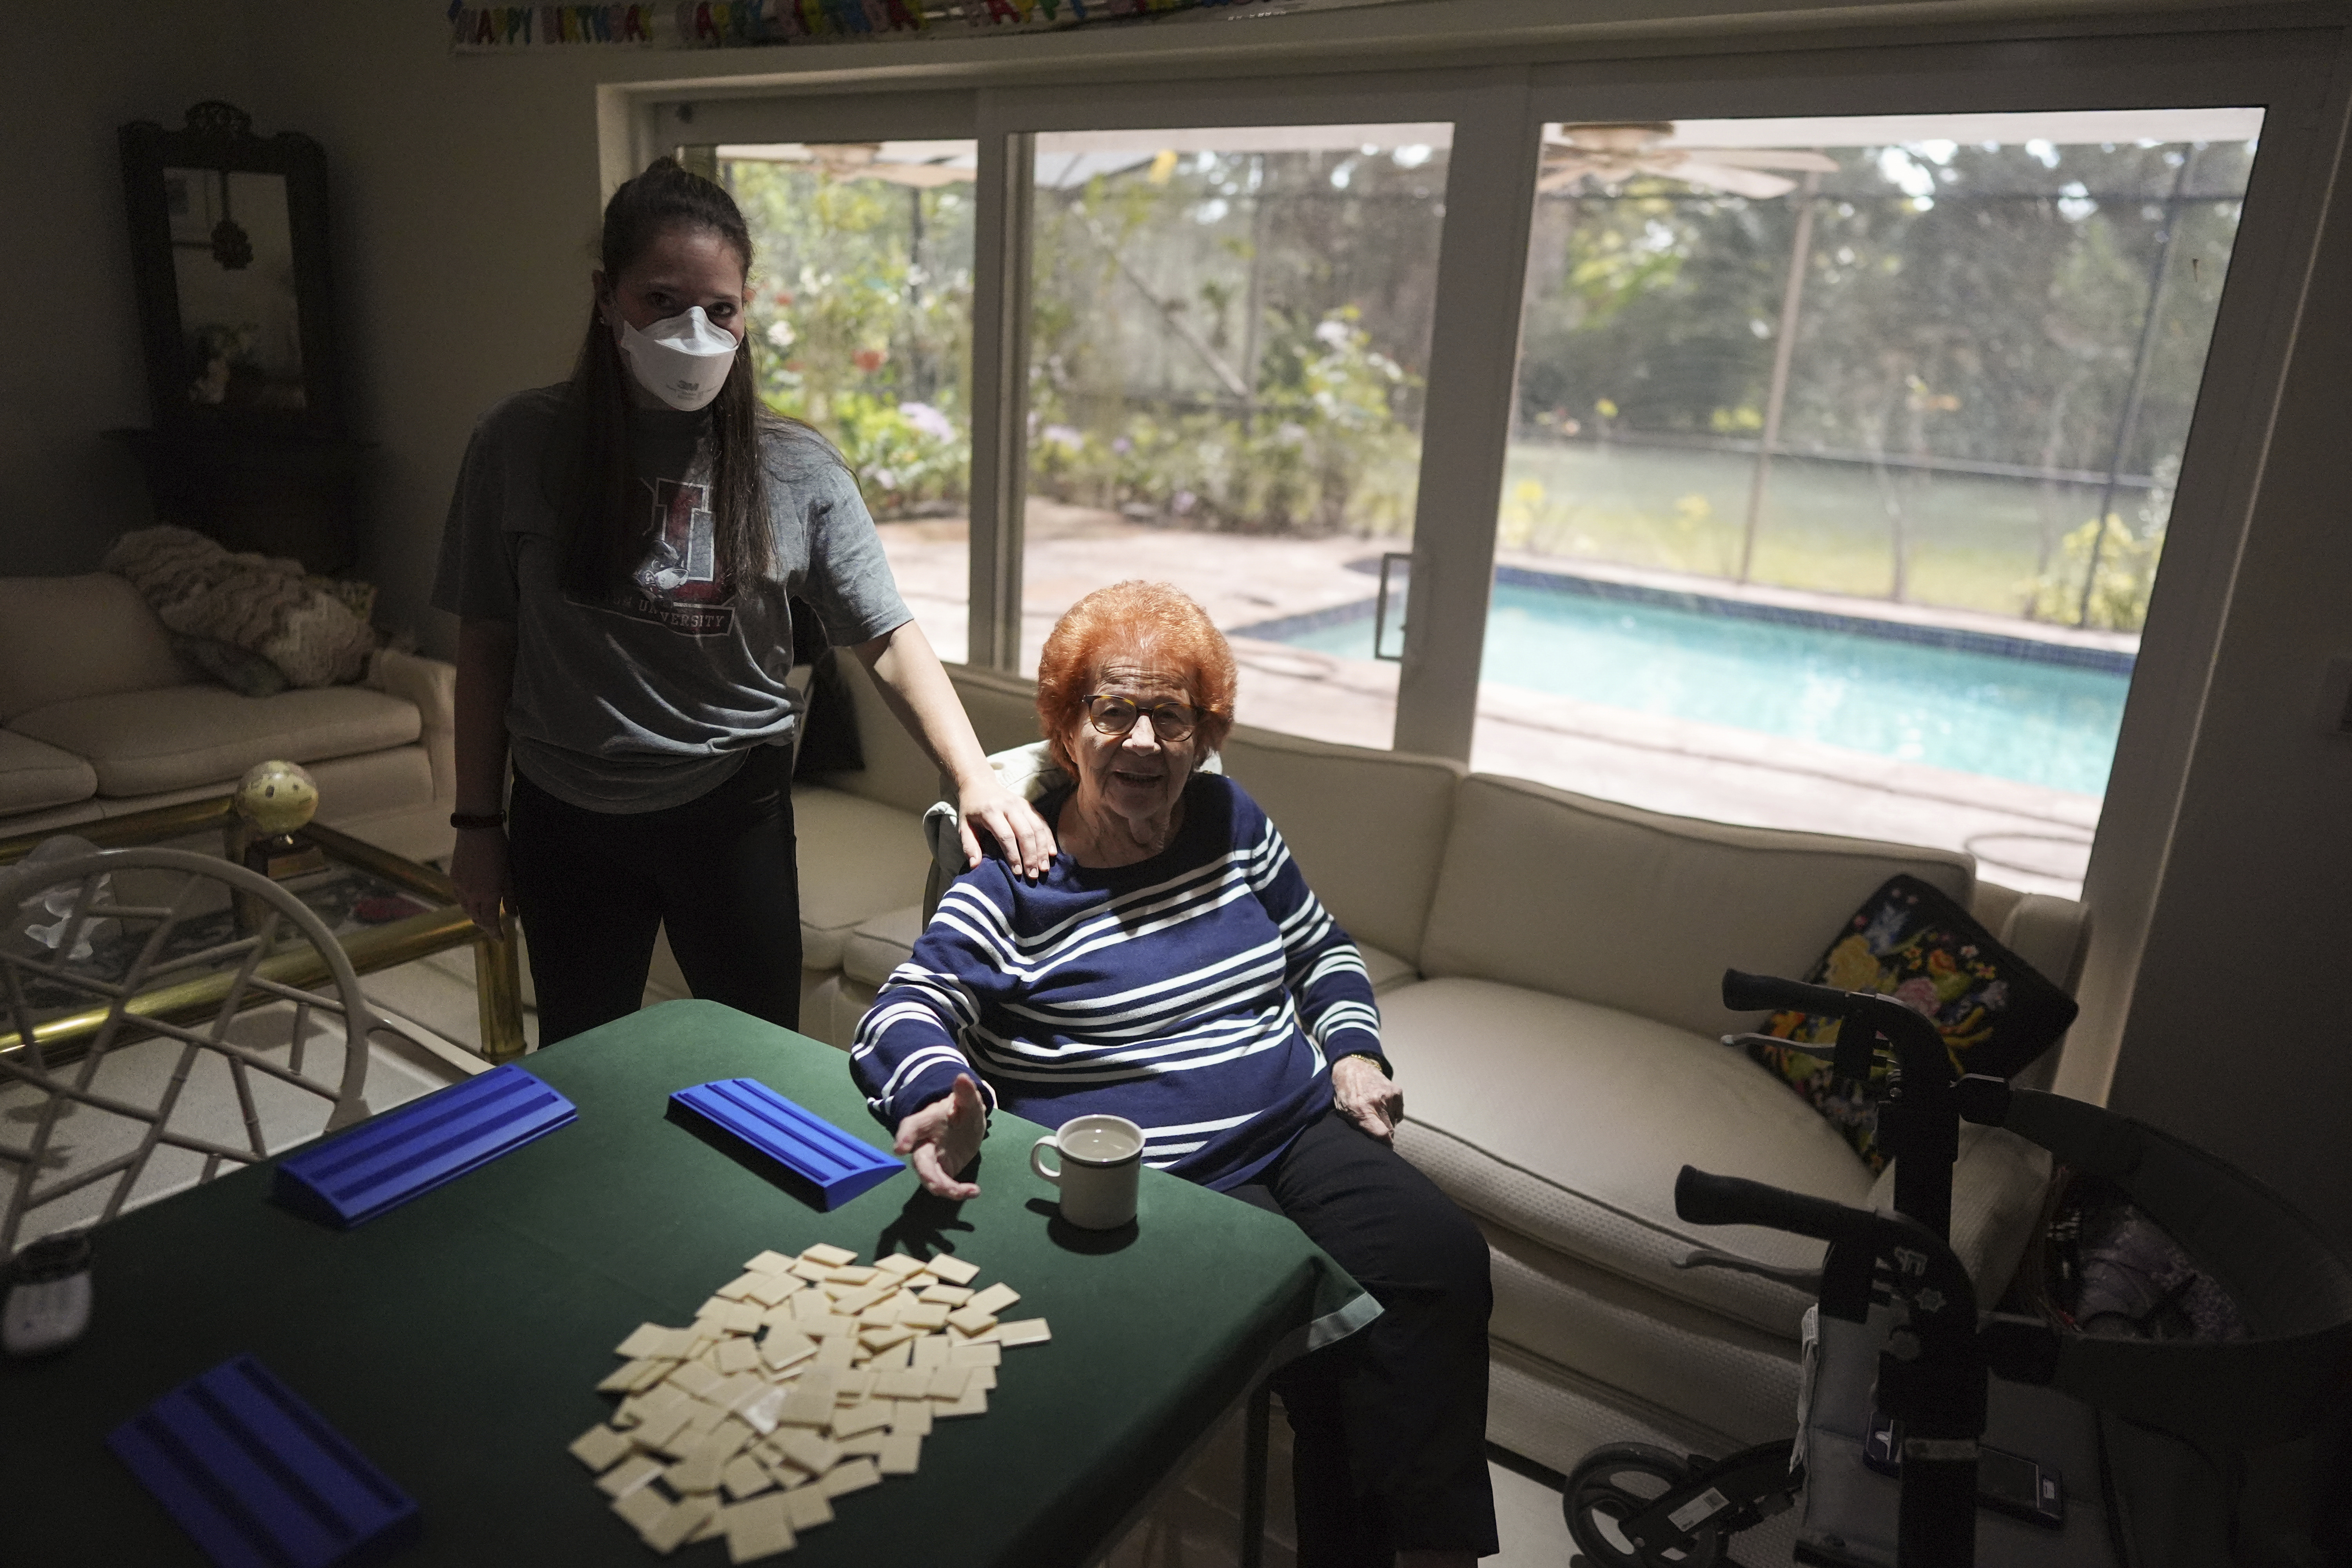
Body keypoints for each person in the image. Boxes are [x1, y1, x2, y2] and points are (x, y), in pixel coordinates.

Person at [850, 580, 1496, 1568]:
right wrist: (935, 1085)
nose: (1144, 741)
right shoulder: (1019, 875)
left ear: (1205, 734)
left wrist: (1356, 1048)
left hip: (1297, 1123)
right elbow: (904, 1008)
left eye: (1171, 715)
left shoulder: (1229, 818)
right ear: (1070, 730)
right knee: (1324, 1332)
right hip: (1169, 1177)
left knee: (1442, 1259)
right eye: (1114, 711)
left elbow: (1322, 946)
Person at [434, 158, 1052, 1045]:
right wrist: (476, 823)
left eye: (719, 309)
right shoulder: (518, 444)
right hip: (565, 813)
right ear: (607, 298)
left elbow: (886, 635)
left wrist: (974, 775)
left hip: (729, 810)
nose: (693, 330)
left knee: (761, 1066)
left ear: (745, 312)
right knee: (583, 1059)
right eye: (661, 300)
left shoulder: (796, 468)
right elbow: (488, 640)